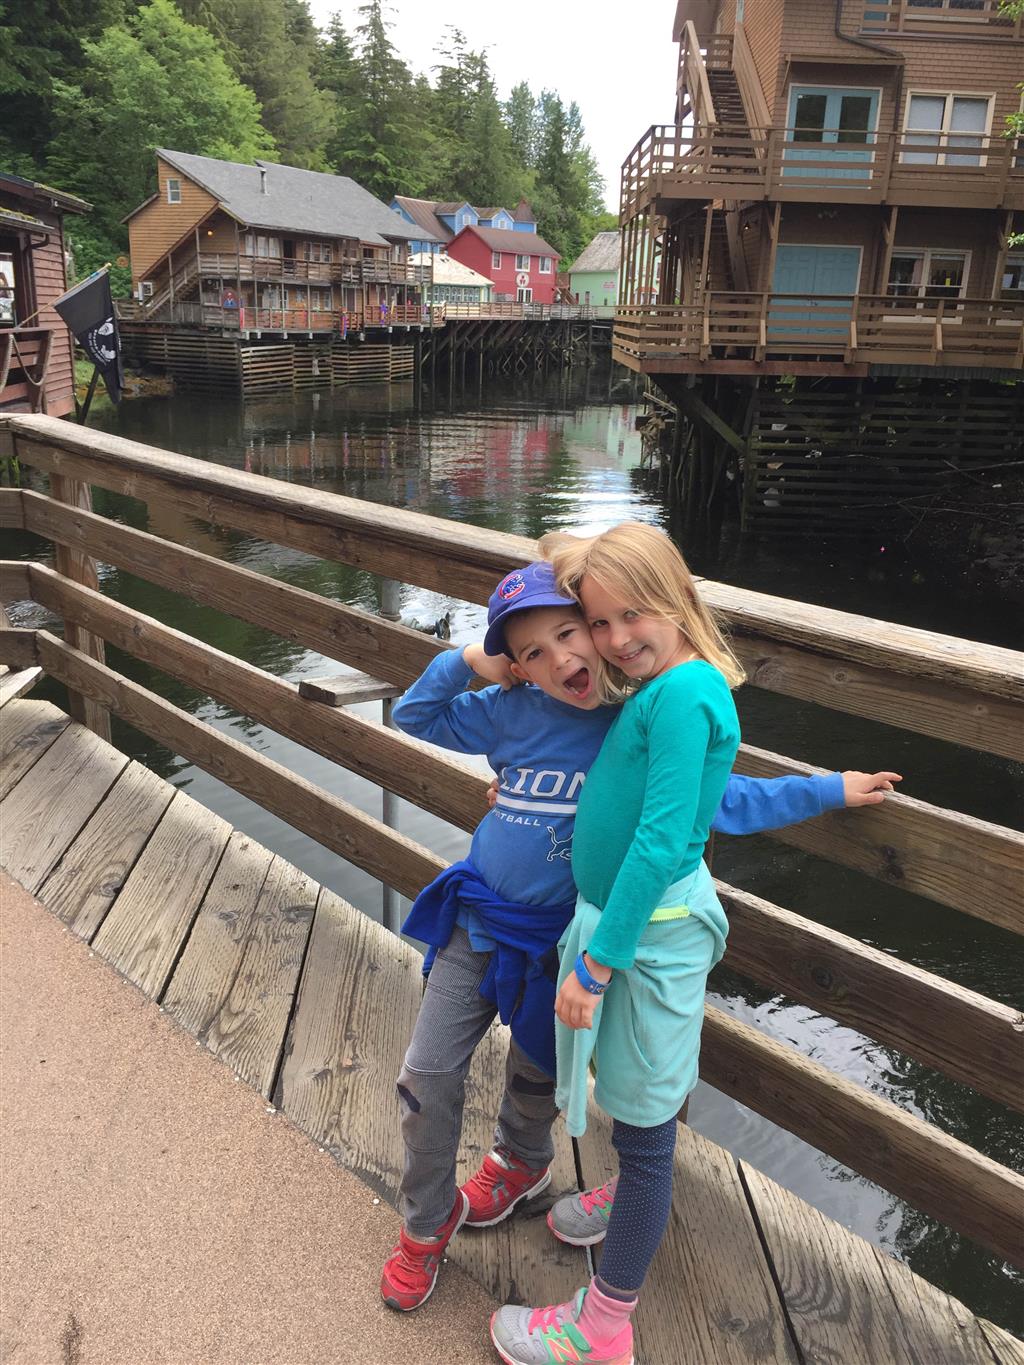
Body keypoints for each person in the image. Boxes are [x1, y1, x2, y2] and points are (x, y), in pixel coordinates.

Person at [380, 559, 900, 1318]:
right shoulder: (508, 709)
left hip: (562, 937)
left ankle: (521, 1164)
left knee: (538, 1067)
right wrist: (468, 659)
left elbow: (718, 798)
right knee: (426, 1076)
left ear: (595, 632)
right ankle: (426, 1226)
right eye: (532, 651)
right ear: (515, 665)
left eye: (571, 632)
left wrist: (826, 789)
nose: (561, 657)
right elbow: (416, 716)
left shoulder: (633, 719)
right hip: (479, 919)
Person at [488, 524, 850, 1364]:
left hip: (646, 941)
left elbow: (658, 844)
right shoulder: (664, 688)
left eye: (632, 615)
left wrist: (595, 964)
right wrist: (830, 787)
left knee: (648, 1132)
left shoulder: (685, 696)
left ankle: (604, 1325)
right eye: (599, 621)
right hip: (632, 932)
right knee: (635, 1097)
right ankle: (626, 1196)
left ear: (679, 599)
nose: (615, 639)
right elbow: (715, 798)